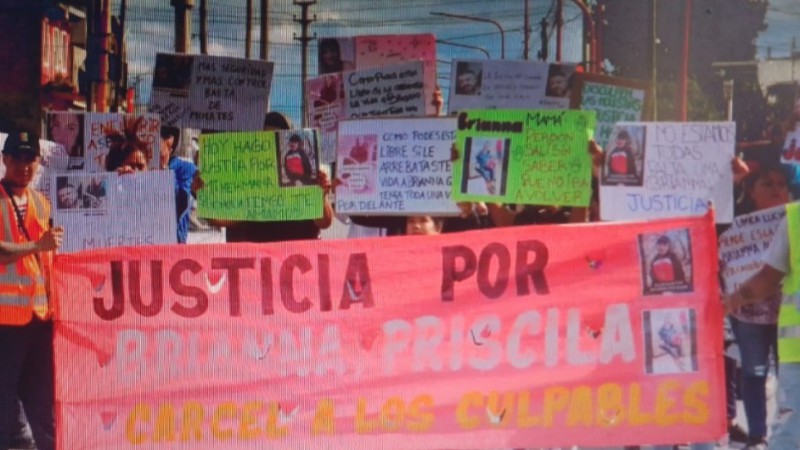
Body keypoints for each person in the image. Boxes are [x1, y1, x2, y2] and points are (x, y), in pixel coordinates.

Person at [0, 130, 64, 450]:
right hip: (5, 322)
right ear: (5, 159)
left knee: (43, 401)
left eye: (30, 158)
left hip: (39, 319)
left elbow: (48, 260)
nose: (24, 165)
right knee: (3, 398)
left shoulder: (41, 203)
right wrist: (37, 244)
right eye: (18, 158)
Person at [724, 204, 800, 450]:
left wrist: (730, 302)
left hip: (797, 352)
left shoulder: (796, 218)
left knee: (791, 434)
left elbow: (768, 278)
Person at [201, 112, 334, 243]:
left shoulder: (306, 170)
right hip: (265, 260)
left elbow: (325, 223)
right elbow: (224, 220)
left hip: (302, 258)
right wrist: (204, 196)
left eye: (275, 138)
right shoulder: (250, 179)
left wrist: (321, 196)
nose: (269, 146)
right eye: (265, 140)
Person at [160, 126, 198, 243]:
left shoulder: (187, 169)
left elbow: (181, 204)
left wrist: (164, 173)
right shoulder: (139, 166)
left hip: (175, 242)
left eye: (169, 135)